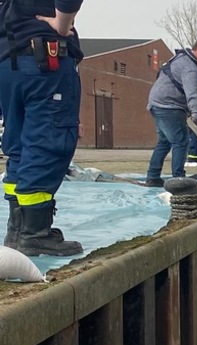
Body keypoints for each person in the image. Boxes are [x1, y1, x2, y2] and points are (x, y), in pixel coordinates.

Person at [0, 0, 85, 256]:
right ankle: (35, 234)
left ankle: (17, 231)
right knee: (48, 141)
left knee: (19, 145)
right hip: (42, 60)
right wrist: (62, 25)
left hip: (7, 60)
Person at [144, 38, 197, 187]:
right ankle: (179, 179)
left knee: (164, 142)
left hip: (156, 104)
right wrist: (196, 113)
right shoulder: (190, 67)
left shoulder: (179, 58)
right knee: (181, 141)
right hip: (169, 105)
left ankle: (153, 176)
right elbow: (192, 92)